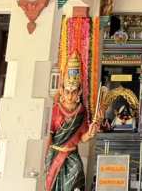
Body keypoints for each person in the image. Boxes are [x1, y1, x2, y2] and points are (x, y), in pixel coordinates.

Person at [45, 52, 99, 191]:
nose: (70, 95)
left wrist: (91, 133)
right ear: (62, 91)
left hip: (72, 155)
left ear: (79, 92)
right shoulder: (56, 109)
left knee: (77, 178)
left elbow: (82, 137)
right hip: (56, 155)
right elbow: (50, 134)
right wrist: (48, 156)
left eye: (73, 91)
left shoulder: (81, 111)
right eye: (67, 91)